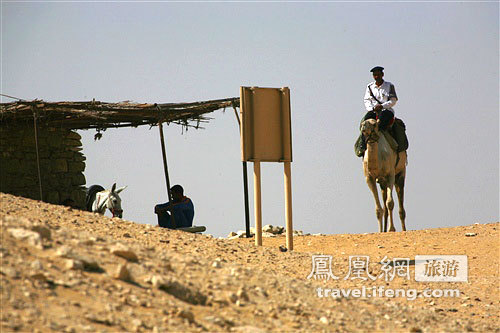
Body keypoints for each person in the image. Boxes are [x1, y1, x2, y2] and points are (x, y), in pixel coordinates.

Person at [355, 66, 408, 157]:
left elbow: (393, 100)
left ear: (382, 75)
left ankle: (394, 146)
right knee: (364, 124)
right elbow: (366, 100)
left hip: (386, 110)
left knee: (381, 123)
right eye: (375, 75)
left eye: (378, 75)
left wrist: (382, 106)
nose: (376, 77)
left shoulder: (389, 86)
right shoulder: (370, 87)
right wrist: (372, 108)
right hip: (373, 111)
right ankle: (362, 145)